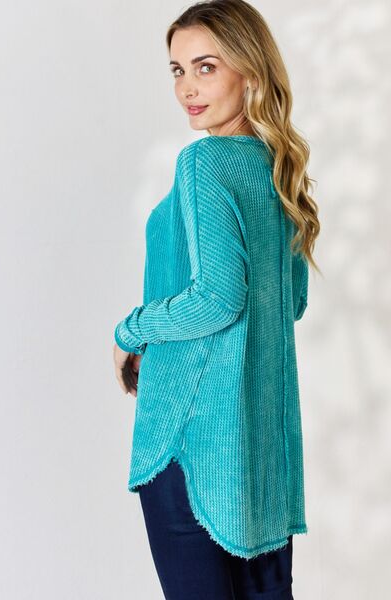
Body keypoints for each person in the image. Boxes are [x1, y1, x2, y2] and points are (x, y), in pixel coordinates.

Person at [113, 1, 321, 598]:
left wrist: (130, 332)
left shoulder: (203, 163)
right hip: (260, 451)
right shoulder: (280, 173)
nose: (188, 88)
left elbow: (218, 299)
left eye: (206, 67)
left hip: (191, 441)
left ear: (250, 72)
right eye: (178, 70)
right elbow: (290, 303)